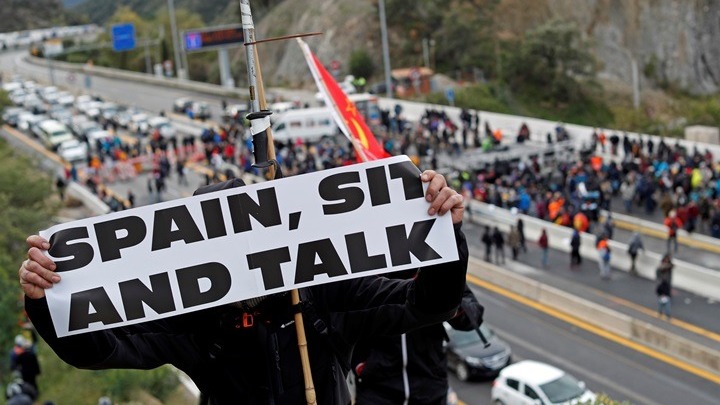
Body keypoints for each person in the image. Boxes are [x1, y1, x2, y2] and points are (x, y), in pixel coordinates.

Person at [18, 171, 469, 405]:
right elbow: (99, 350)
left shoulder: (323, 296)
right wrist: (46, 301)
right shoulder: (190, 320)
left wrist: (444, 236)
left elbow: (427, 304)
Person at [351, 282, 483, 405]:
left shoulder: (432, 264)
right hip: (376, 388)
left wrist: (448, 301)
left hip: (430, 385)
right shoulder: (368, 267)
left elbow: (473, 316)